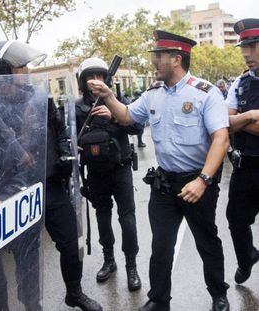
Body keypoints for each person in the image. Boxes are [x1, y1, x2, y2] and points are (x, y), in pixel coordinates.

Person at [87, 31, 230, 311]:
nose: (154, 62)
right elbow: (127, 115)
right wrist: (108, 96)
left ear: (177, 59)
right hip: (164, 184)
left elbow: (221, 140)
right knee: (161, 247)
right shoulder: (153, 94)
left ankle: (218, 294)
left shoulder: (205, 93)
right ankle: (159, 300)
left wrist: (203, 181)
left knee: (207, 242)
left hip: (197, 183)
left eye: (159, 57)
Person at [0, 41, 102, 311]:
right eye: (20, 66)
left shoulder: (40, 97)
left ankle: (75, 292)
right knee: (27, 255)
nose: (26, 71)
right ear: (1, 70)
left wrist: (63, 150)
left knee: (71, 243)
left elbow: (59, 129)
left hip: (51, 184)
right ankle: (31, 304)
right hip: (18, 191)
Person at [75, 57, 142, 291]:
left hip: (120, 168)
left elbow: (137, 126)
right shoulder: (77, 107)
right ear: (83, 81)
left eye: (101, 76)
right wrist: (73, 145)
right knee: (103, 218)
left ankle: (131, 266)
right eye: (91, 77)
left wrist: (113, 114)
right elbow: (67, 136)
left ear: (107, 79)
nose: (96, 81)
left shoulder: (118, 100)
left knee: (128, 219)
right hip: (95, 173)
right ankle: (109, 260)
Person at [226, 18, 259, 286]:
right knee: (235, 220)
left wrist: (241, 121)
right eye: (244, 47)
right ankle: (246, 257)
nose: (247, 54)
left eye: (254, 46)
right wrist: (250, 114)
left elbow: (236, 123)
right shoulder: (240, 83)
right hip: (245, 166)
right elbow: (227, 121)